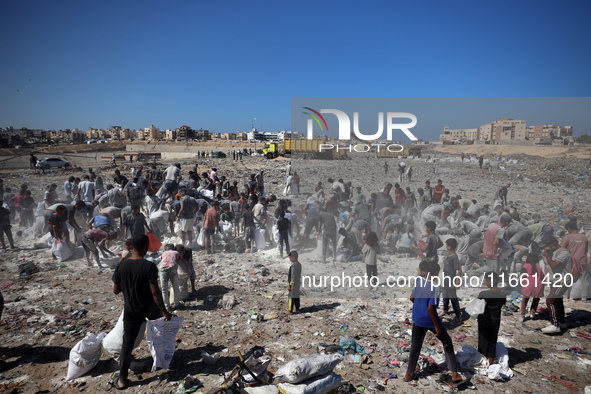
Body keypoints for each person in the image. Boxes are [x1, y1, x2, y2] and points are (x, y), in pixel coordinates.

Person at [112, 234, 171, 390]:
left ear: (132, 246)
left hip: (131, 310)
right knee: (160, 335)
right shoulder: (149, 266)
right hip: (149, 308)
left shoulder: (121, 265)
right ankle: (165, 362)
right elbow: (155, 293)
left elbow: (115, 290)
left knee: (127, 344)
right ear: (145, 246)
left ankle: (122, 380)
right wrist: (164, 311)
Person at [404, 260, 465, 386]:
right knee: (447, 341)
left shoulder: (419, 281)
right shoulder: (436, 287)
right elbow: (431, 308)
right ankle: (454, 373)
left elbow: (412, 298)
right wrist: (437, 326)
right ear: (436, 272)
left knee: (415, 346)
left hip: (417, 318)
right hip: (429, 320)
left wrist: (418, 307)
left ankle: (409, 374)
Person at [539, 235, 572, 334]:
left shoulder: (564, 253)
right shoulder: (554, 252)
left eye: (547, 245)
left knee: (550, 300)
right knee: (557, 300)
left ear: (553, 242)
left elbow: (553, 265)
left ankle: (555, 324)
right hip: (556, 280)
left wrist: (546, 253)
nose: (546, 247)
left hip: (562, 280)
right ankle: (561, 322)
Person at [475, 271, 506, 365]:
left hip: (484, 321)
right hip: (495, 321)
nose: (485, 282)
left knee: (483, 340)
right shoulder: (503, 294)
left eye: (486, 280)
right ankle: (491, 362)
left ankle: (482, 361)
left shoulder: (484, 294)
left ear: (489, 280)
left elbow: (477, 307)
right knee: (492, 341)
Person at [158, 244, 188, 311]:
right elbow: (183, 261)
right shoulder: (176, 253)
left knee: (164, 289)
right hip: (172, 270)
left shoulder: (163, 253)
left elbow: (162, 261)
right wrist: (188, 269)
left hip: (162, 271)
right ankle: (176, 304)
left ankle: (166, 306)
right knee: (175, 288)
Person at [518, 253, 544, 322]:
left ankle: (522, 316)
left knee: (524, 300)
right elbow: (542, 279)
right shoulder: (539, 269)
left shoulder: (525, 266)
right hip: (538, 286)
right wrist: (542, 290)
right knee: (536, 299)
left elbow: (523, 276)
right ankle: (532, 313)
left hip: (528, 286)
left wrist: (519, 281)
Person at [442, 238, 462, 323]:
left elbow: (459, 270)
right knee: (445, 296)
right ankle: (445, 310)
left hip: (451, 281)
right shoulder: (449, 256)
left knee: (453, 297)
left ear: (450, 246)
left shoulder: (454, 257)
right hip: (445, 279)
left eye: (447, 245)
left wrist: (458, 281)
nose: (446, 246)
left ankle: (458, 315)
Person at [286, 251, 301, 315]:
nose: (290, 259)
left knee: (291, 296)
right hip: (297, 283)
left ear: (294, 257)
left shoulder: (293, 266)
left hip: (293, 284)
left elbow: (292, 277)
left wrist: (290, 285)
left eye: (290, 257)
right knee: (297, 295)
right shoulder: (299, 264)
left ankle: (290, 310)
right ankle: (297, 308)